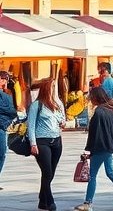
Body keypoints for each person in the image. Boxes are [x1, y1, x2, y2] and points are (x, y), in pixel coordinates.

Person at [76, 86, 113, 211]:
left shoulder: (99, 112)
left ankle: (88, 203)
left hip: (101, 148)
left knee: (92, 175)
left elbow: (94, 134)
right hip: (111, 147)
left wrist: (88, 150)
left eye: (91, 97)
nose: (90, 99)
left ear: (95, 98)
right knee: (110, 172)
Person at [28, 78, 67, 211]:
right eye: (52, 87)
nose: (54, 90)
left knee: (51, 173)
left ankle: (42, 199)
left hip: (56, 140)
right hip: (41, 141)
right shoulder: (36, 105)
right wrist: (33, 143)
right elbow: (31, 126)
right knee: (47, 172)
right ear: (46, 89)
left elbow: (63, 119)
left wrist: (63, 122)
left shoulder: (57, 103)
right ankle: (49, 201)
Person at [0, 71, 16, 187]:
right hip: (2, 126)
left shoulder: (7, 95)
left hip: (2, 127)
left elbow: (12, 112)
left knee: (2, 153)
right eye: (2, 78)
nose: (4, 81)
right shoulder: (6, 96)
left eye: (5, 79)